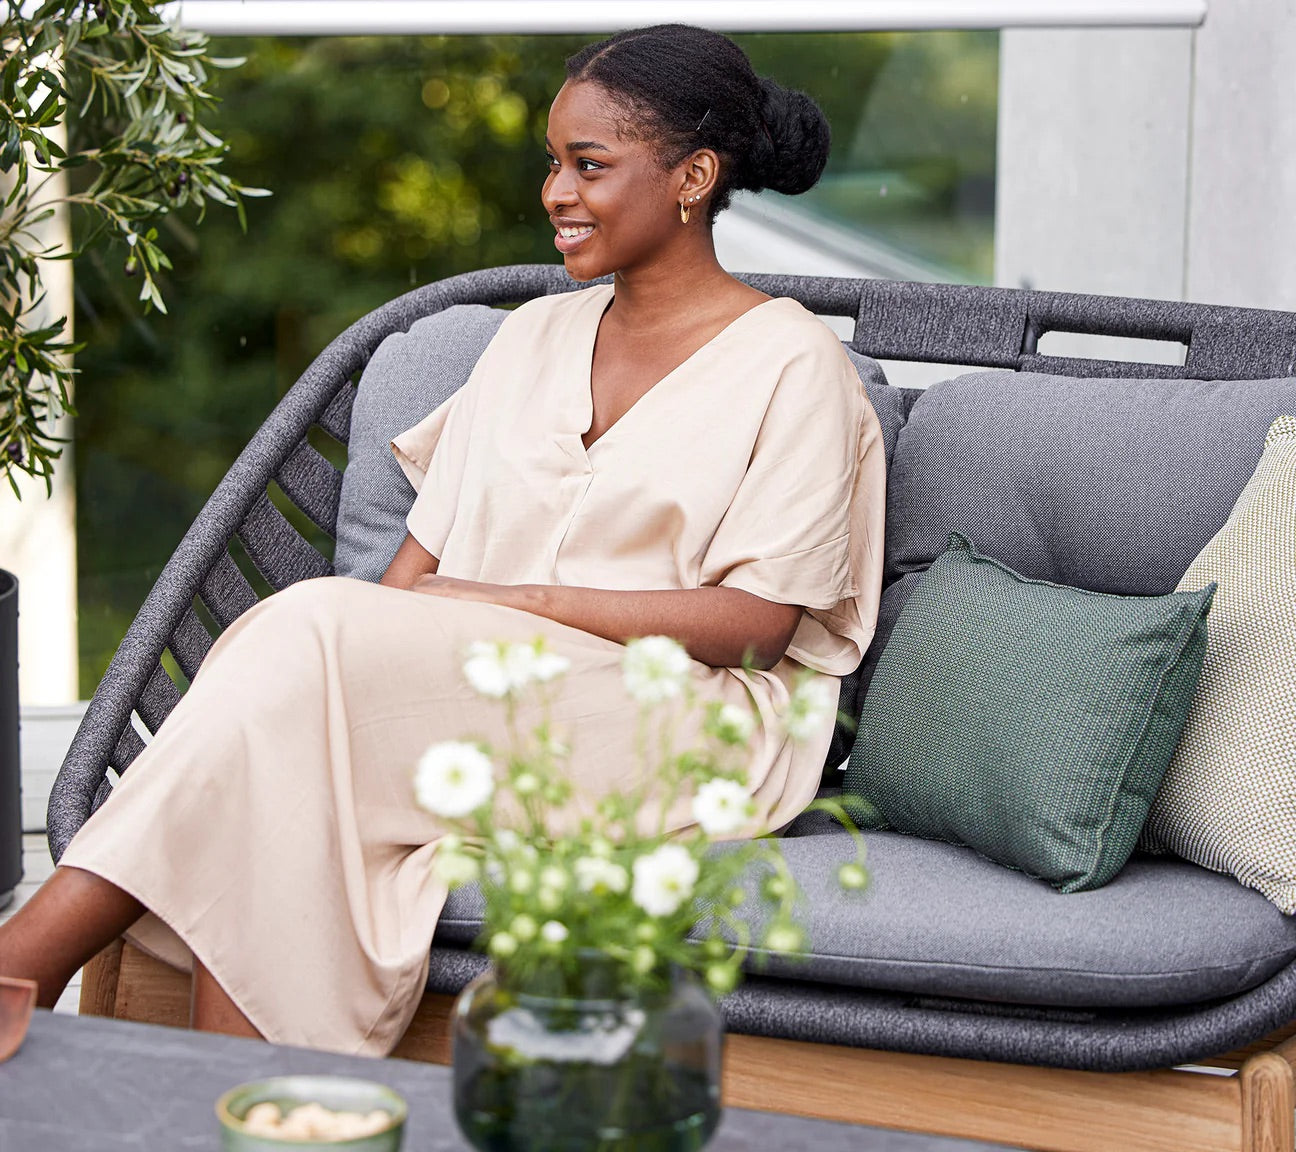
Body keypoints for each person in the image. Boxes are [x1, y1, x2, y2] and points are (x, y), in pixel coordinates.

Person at [0, 23, 885, 1056]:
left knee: (305, 654)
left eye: (590, 166)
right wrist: (381, 652)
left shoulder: (794, 365)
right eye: (552, 163)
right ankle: (227, 1087)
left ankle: (29, 960)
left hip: (687, 723)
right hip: (496, 689)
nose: (555, 192)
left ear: (692, 176)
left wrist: (520, 603)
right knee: (300, 700)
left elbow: (757, 627)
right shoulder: (531, 337)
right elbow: (405, 584)